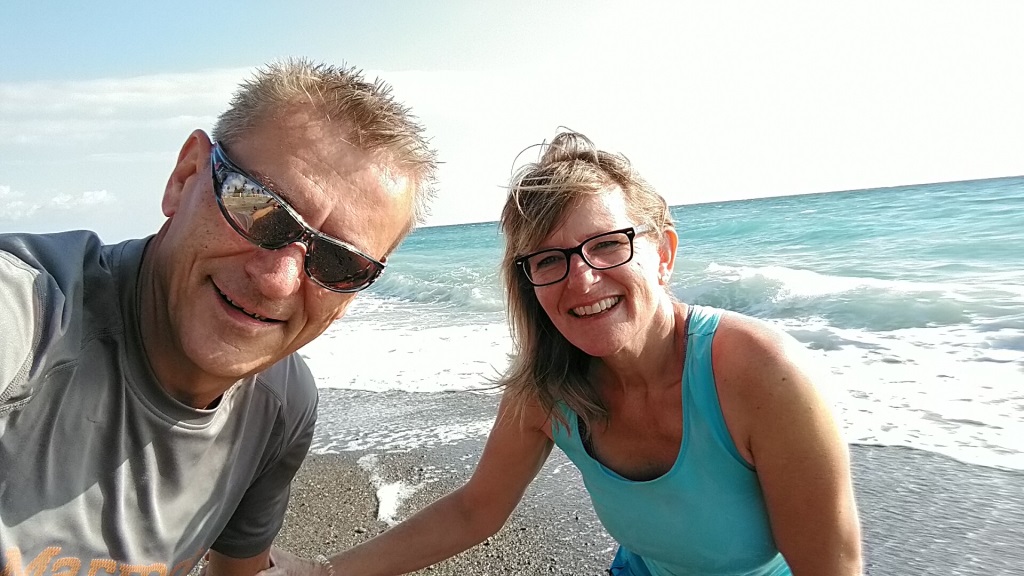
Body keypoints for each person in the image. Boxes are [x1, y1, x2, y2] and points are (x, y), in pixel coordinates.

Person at [265, 130, 862, 575]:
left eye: (607, 245)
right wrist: (325, 574)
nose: (582, 281)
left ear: (664, 254)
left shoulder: (763, 375)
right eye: (550, 260)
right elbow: (476, 510)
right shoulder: (547, 391)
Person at [0, 59, 437, 576]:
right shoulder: (30, 314)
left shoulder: (282, 404)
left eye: (341, 261)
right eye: (258, 208)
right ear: (185, 178)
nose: (277, 279)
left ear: (349, 297)